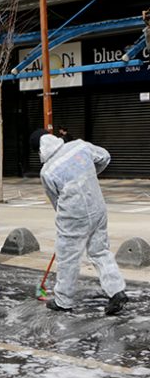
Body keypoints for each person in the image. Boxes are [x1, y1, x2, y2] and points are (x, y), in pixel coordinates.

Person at [38, 134, 128, 315]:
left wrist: (65, 224)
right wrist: (89, 175)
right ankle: (116, 290)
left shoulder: (47, 171)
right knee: (100, 251)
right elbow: (104, 157)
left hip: (73, 216)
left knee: (68, 258)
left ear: (40, 151)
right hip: (97, 207)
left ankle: (63, 300)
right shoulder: (79, 146)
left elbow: (56, 200)